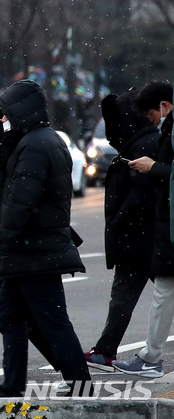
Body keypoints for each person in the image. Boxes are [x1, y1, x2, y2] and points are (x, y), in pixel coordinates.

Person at [0, 79, 90, 402]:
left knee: (51, 320)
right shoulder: (46, 140)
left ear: (20, 112)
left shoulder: (34, 145)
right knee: (10, 315)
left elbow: (21, 202)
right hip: (34, 249)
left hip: (33, 250)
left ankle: (79, 384)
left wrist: (7, 241)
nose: (3, 120)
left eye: (6, 114)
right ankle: (13, 385)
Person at [83, 89, 158, 371]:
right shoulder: (140, 141)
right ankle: (105, 350)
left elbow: (142, 193)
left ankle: (107, 351)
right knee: (131, 295)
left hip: (141, 237)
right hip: (141, 238)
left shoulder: (144, 144)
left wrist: (119, 221)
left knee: (133, 296)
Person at [113, 81, 174, 378]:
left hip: (172, 226)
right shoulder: (168, 128)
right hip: (168, 224)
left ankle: (150, 358)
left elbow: (169, 174)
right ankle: (150, 357)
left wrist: (154, 168)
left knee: (164, 291)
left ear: (163, 105)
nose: (150, 120)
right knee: (164, 289)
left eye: (151, 113)